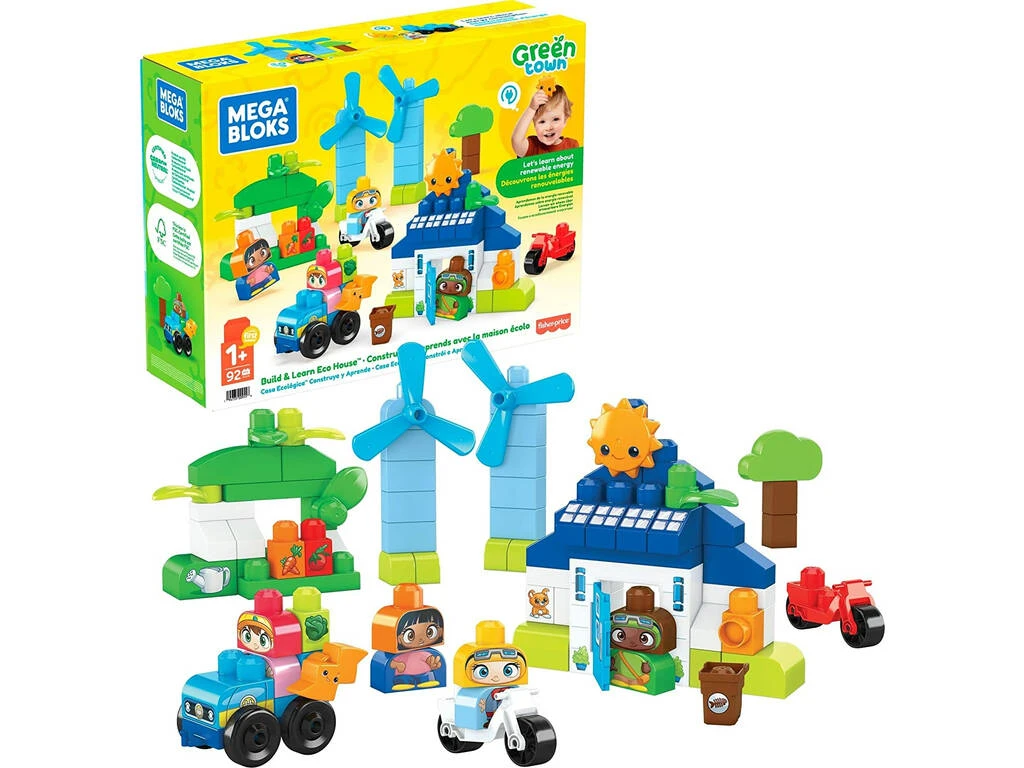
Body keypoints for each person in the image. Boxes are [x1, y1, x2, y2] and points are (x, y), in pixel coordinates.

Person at [511, 83, 579, 157]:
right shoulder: (533, 147)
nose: (549, 127)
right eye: (542, 122)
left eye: (556, 119)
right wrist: (531, 108)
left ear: (565, 120)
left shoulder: (572, 146)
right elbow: (516, 140)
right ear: (534, 124)